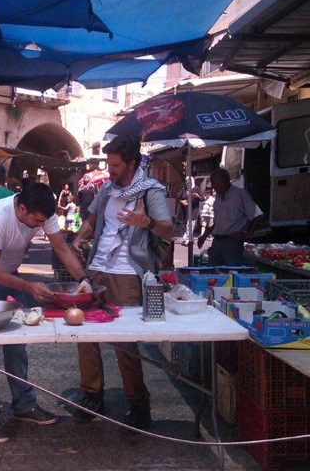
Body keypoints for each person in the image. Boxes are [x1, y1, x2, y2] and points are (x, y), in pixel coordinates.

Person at [0, 183, 90, 443]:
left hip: (9, 272)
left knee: (17, 341)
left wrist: (84, 280)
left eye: (44, 221)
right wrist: (28, 287)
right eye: (37, 221)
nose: (40, 226)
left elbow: (62, 249)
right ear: (21, 207)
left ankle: (23, 405)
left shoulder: (44, 213)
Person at [71, 137, 174, 429]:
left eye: (115, 165)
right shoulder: (106, 188)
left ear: (132, 163)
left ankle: (138, 403)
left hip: (127, 272)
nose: (109, 169)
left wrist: (146, 223)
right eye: (108, 163)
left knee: (124, 340)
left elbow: (169, 228)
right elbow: (92, 220)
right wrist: (81, 236)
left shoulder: (151, 190)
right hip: (96, 267)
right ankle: (91, 395)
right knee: (84, 334)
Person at [197, 168, 263, 266]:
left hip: (232, 243)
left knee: (231, 273)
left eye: (214, 183)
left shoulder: (240, 194)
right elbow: (217, 222)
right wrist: (204, 235)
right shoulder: (218, 197)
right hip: (217, 242)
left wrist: (247, 234)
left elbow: (257, 215)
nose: (213, 186)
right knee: (213, 272)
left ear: (223, 181)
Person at [178, 176, 202, 246]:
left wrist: (197, 196)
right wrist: (182, 201)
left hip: (193, 211)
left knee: (190, 225)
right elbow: (179, 197)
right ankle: (187, 238)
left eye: (189, 181)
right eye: (186, 181)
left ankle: (188, 240)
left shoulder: (196, 188)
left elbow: (202, 198)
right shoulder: (184, 189)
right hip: (185, 211)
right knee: (186, 226)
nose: (187, 183)